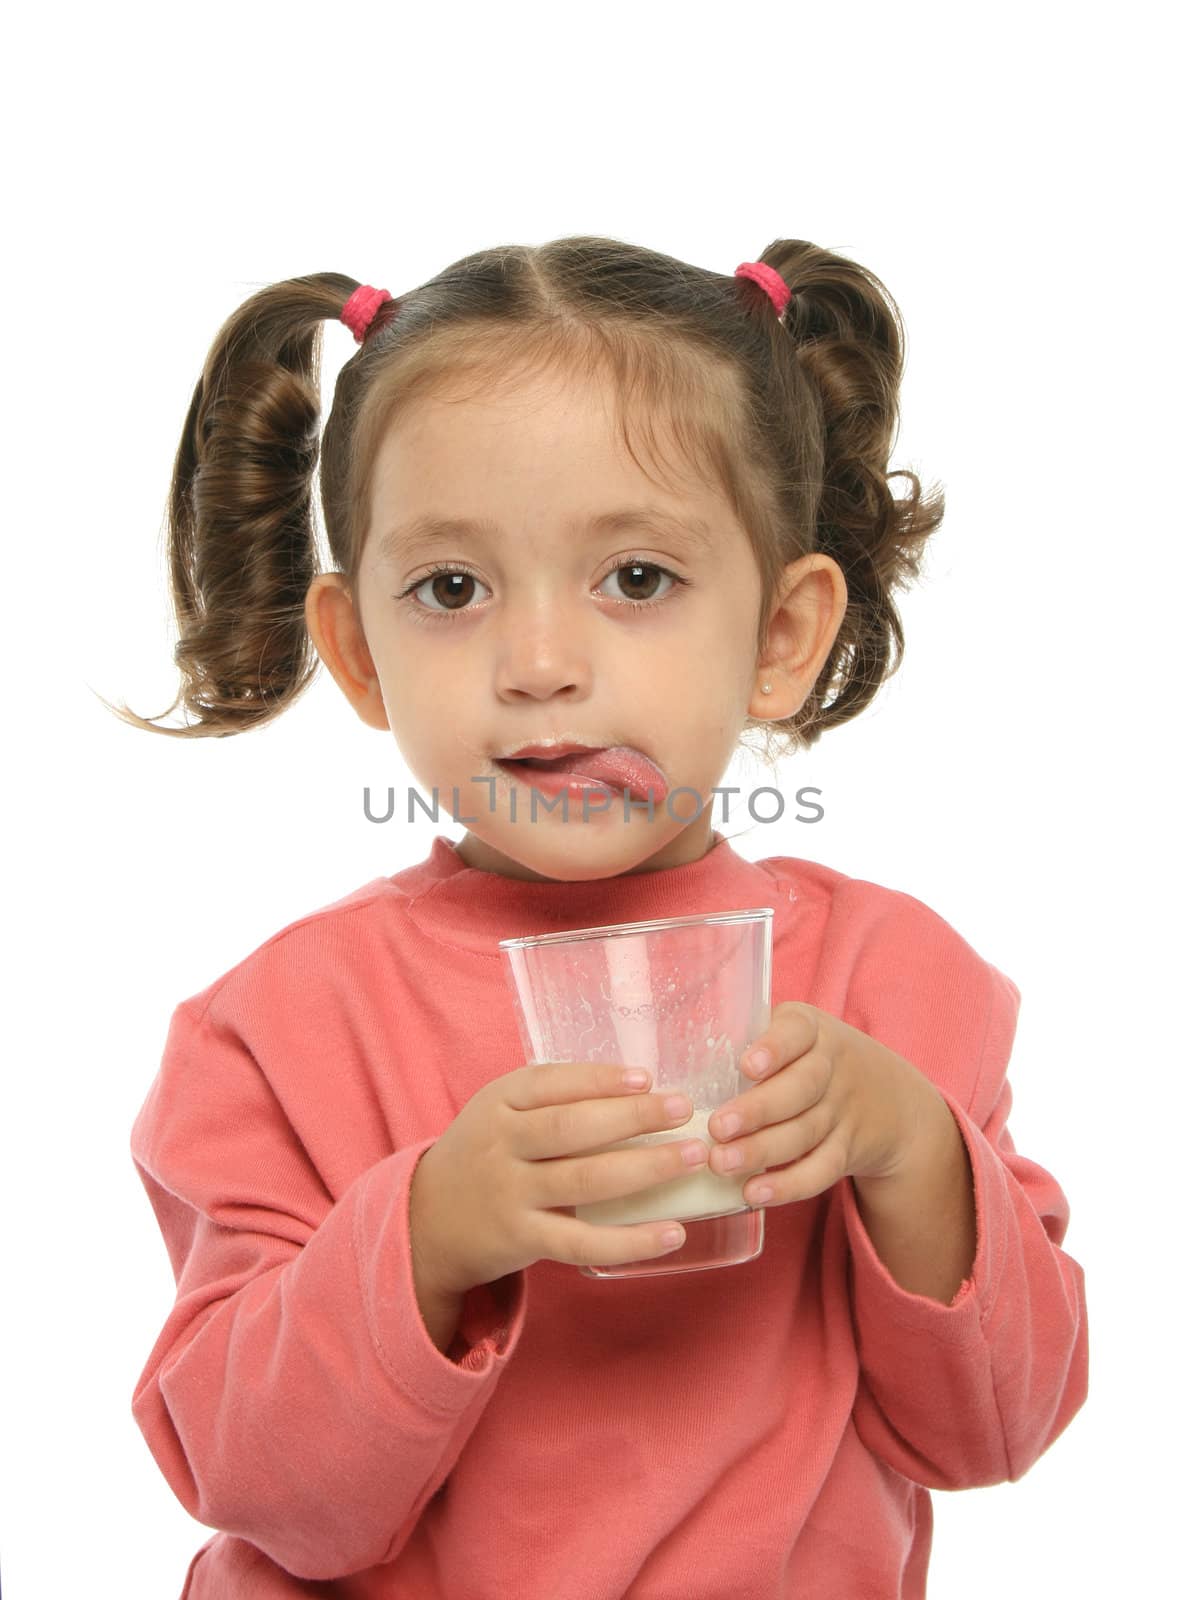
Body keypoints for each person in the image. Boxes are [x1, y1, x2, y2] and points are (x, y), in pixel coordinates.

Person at [116, 237, 1089, 1600]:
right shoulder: (276, 1033)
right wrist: (428, 1236)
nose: (541, 668)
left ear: (780, 637)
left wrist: (912, 1155)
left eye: (636, 579)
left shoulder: (896, 989)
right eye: (451, 590)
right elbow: (264, 1491)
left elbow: (996, 1428)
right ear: (356, 651)